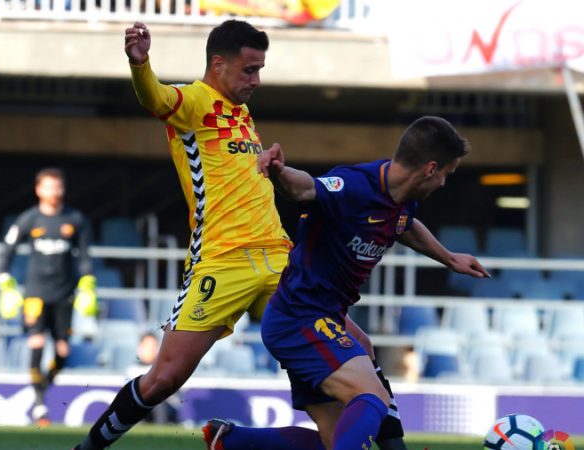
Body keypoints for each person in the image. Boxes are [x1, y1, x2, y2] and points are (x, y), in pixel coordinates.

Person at [73, 19, 405, 450]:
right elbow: (155, 97)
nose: (257, 80)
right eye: (249, 70)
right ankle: (87, 448)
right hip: (222, 261)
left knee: (359, 346)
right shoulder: (194, 101)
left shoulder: (243, 115)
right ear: (218, 64)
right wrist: (141, 65)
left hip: (281, 261)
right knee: (165, 377)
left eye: (260, 69)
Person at [203, 116, 491, 450]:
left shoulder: (404, 197)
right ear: (430, 168)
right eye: (446, 174)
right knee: (371, 394)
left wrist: (449, 257)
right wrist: (279, 170)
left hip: (320, 316)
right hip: (300, 317)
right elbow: (306, 187)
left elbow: (404, 224)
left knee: (335, 438)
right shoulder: (354, 186)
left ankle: (231, 441)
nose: (444, 183)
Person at [0, 167, 98, 427]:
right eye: (49, 187)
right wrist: (4, 281)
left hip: (65, 294)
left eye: (58, 187)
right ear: (39, 190)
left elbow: (85, 255)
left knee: (62, 352)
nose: (54, 192)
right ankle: (40, 404)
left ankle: (41, 387)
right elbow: (6, 251)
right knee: (37, 343)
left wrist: (88, 283)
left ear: (62, 190)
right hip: (36, 293)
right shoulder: (29, 219)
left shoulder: (75, 219)